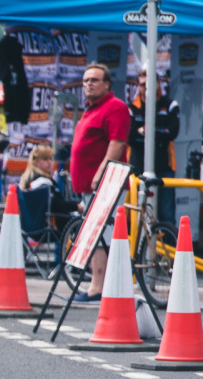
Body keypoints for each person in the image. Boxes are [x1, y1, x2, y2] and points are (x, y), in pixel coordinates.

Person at [69, 62, 130, 301]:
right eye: (85, 81)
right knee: (95, 233)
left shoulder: (114, 107)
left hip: (106, 184)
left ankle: (98, 286)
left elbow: (117, 143)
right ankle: (99, 284)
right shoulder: (90, 109)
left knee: (102, 235)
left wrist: (102, 171)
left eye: (94, 80)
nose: (89, 84)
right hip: (90, 186)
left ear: (106, 84)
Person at [128, 67, 180, 223]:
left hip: (165, 165)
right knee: (136, 213)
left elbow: (172, 132)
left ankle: (169, 245)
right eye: (143, 84)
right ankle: (138, 246)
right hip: (138, 166)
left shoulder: (170, 104)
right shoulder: (132, 108)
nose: (147, 88)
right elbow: (130, 137)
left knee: (167, 214)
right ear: (137, 86)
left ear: (158, 83)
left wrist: (146, 131)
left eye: (151, 84)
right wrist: (157, 133)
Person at [19, 145, 78, 219]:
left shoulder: (27, 179)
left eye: (51, 159)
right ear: (35, 161)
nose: (50, 163)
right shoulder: (41, 182)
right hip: (51, 223)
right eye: (45, 159)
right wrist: (76, 206)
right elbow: (55, 204)